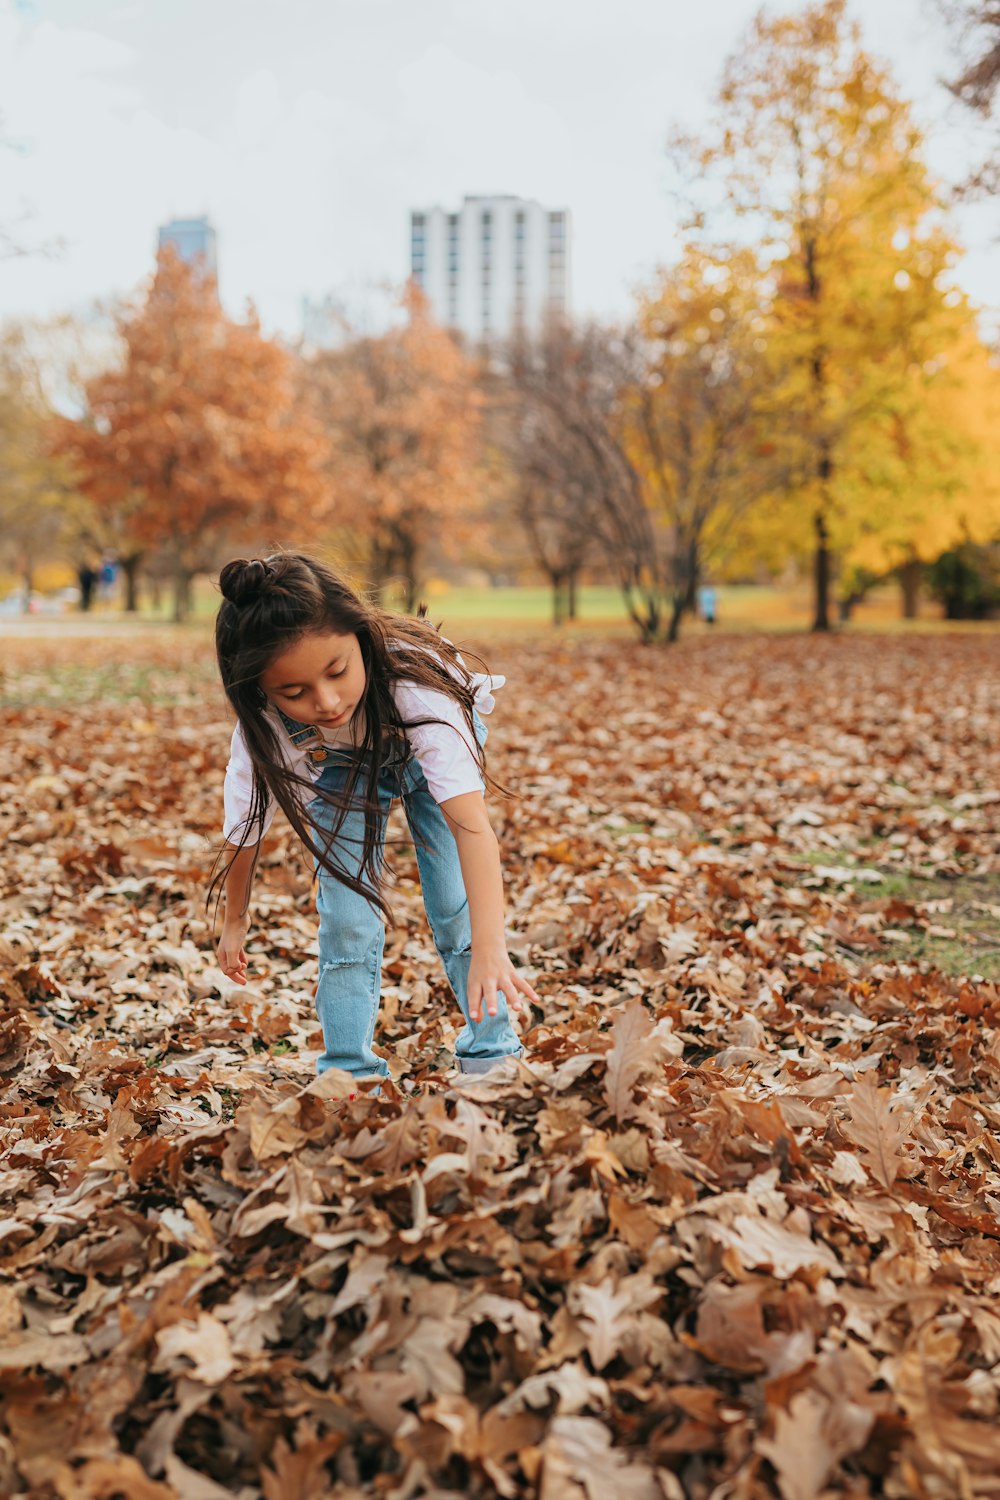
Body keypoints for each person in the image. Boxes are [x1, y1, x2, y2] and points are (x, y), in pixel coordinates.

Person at [213, 553, 539, 1084]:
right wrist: (234, 921)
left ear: (359, 637)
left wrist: (492, 948)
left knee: (455, 906)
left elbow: (472, 827)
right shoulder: (266, 730)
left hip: (421, 752)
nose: (327, 701)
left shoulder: (420, 691)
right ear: (260, 693)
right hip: (342, 768)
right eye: (294, 692)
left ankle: (492, 1050)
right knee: (346, 920)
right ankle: (349, 1070)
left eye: (337, 671)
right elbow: (244, 831)